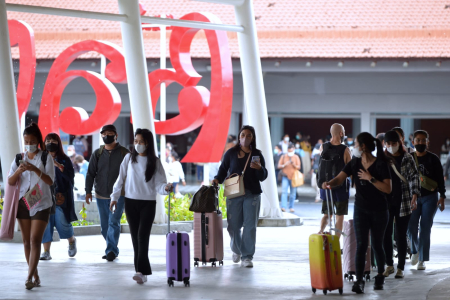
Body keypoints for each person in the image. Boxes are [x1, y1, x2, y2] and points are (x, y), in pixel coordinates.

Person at [322, 132, 392, 293]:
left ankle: (380, 275)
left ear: (363, 146)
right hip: (361, 209)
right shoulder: (354, 162)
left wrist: (370, 178)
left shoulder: (381, 164)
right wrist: (329, 183)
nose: (354, 148)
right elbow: (340, 178)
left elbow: (388, 189)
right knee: (361, 245)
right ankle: (358, 281)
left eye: (355, 145)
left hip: (380, 210)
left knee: (376, 244)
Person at [110, 128, 172, 284]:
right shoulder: (129, 159)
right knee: (135, 239)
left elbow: (159, 184)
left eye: (141, 141)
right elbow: (120, 179)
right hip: (130, 202)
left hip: (148, 204)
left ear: (148, 143)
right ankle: (142, 272)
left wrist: (165, 188)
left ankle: (139, 271)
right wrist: (114, 198)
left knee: (142, 237)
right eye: (136, 141)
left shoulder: (155, 162)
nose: (138, 144)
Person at [7, 123, 55, 290]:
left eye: (32, 140)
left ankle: (28, 277)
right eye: (26, 141)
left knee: (35, 240)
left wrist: (35, 169)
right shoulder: (19, 157)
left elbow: (50, 181)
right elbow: (10, 181)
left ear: (38, 140)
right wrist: (19, 171)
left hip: (41, 203)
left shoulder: (45, 157)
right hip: (23, 202)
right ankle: (34, 275)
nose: (29, 144)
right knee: (27, 241)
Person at [213, 125, 268, 268]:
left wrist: (259, 169)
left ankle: (247, 256)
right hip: (234, 193)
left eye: (249, 135)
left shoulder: (257, 154)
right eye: (243, 135)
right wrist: (217, 179)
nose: (245, 138)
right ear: (239, 136)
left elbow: (263, 176)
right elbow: (223, 169)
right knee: (233, 226)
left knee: (250, 226)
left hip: (252, 194)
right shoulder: (231, 153)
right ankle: (236, 249)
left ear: (253, 138)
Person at [85, 124, 130, 261]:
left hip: (119, 195)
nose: (107, 136)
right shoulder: (97, 154)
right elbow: (90, 173)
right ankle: (112, 247)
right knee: (105, 226)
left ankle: (111, 250)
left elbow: (131, 174)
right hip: (100, 194)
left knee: (113, 222)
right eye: (104, 134)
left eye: (110, 133)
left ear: (116, 135)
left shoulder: (124, 153)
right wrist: (88, 191)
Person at [382, 131, 420, 279]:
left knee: (400, 235)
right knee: (386, 234)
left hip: (404, 200)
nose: (391, 146)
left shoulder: (407, 158)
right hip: (386, 202)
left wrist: (415, 194)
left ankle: (401, 268)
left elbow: (414, 176)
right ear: (385, 144)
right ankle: (389, 265)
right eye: (388, 144)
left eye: (394, 143)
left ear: (400, 143)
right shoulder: (383, 159)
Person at [408, 130, 446, 270]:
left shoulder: (433, 158)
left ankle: (422, 260)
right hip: (412, 198)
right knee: (411, 227)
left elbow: (440, 179)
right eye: (418, 140)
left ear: (427, 142)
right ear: (413, 142)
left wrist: (442, 196)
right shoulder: (409, 157)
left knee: (425, 228)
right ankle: (415, 250)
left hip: (430, 197)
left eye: (423, 140)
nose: (420, 143)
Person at [40, 133, 78, 261]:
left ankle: (71, 240)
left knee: (62, 222)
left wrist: (59, 167)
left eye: (53, 141)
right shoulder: (40, 158)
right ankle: (46, 251)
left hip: (60, 196)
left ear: (58, 143)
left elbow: (70, 178)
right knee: (46, 223)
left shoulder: (64, 159)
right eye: (48, 140)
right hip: (44, 196)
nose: (50, 143)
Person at [318, 124, 352, 239]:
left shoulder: (323, 147)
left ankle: (321, 233)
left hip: (325, 186)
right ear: (341, 133)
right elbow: (350, 168)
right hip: (341, 188)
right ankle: (336, 240)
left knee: (327, 214)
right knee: (340, 215)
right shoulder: (345, 150)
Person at [278, 144, 301, 212]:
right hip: (285, 176)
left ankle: (291, 207)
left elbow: (299, 167)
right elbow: (279, 166)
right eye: (289, 151)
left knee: (293, 193)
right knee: (284, 192)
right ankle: (283, 207)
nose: (290, 152)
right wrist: (284, 165)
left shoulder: (296, 157)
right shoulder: (284, 156)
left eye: (291, 151)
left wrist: (294, 165)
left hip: (294, 177)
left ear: (293, 150)